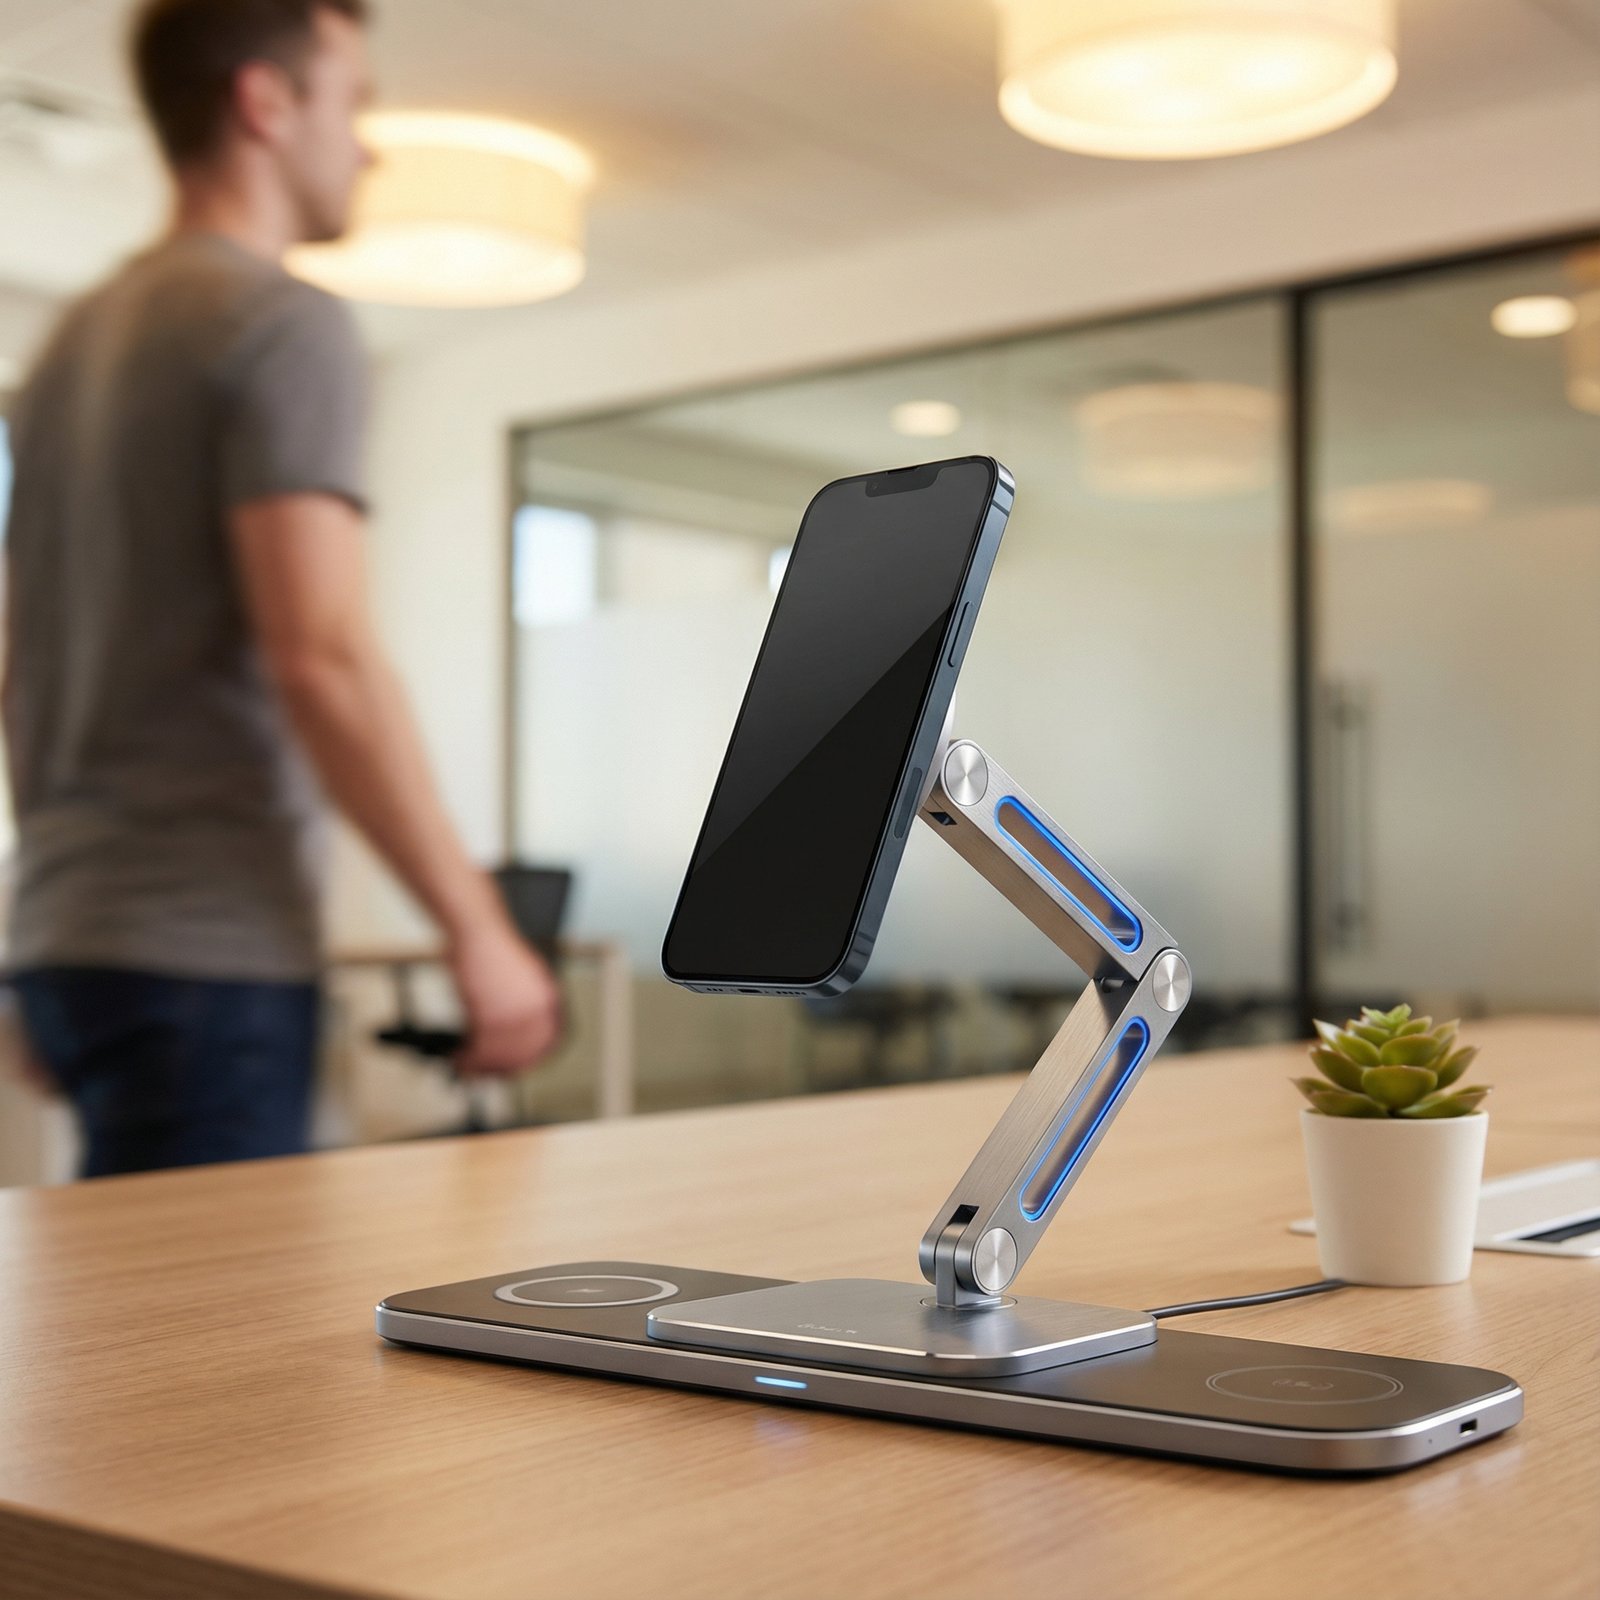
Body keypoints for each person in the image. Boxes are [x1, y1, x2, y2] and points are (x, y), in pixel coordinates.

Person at [1, 0, 561, 1178]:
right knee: (207, 1350)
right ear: (267, 102)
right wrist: (478, 931)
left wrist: (50, 931)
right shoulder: (275, 320)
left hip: (73, 939)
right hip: (208, 948)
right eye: (352, 103)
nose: (367, 145)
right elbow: (322, 655)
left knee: (135, 1327)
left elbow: (24, 661)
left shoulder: (69, 349)